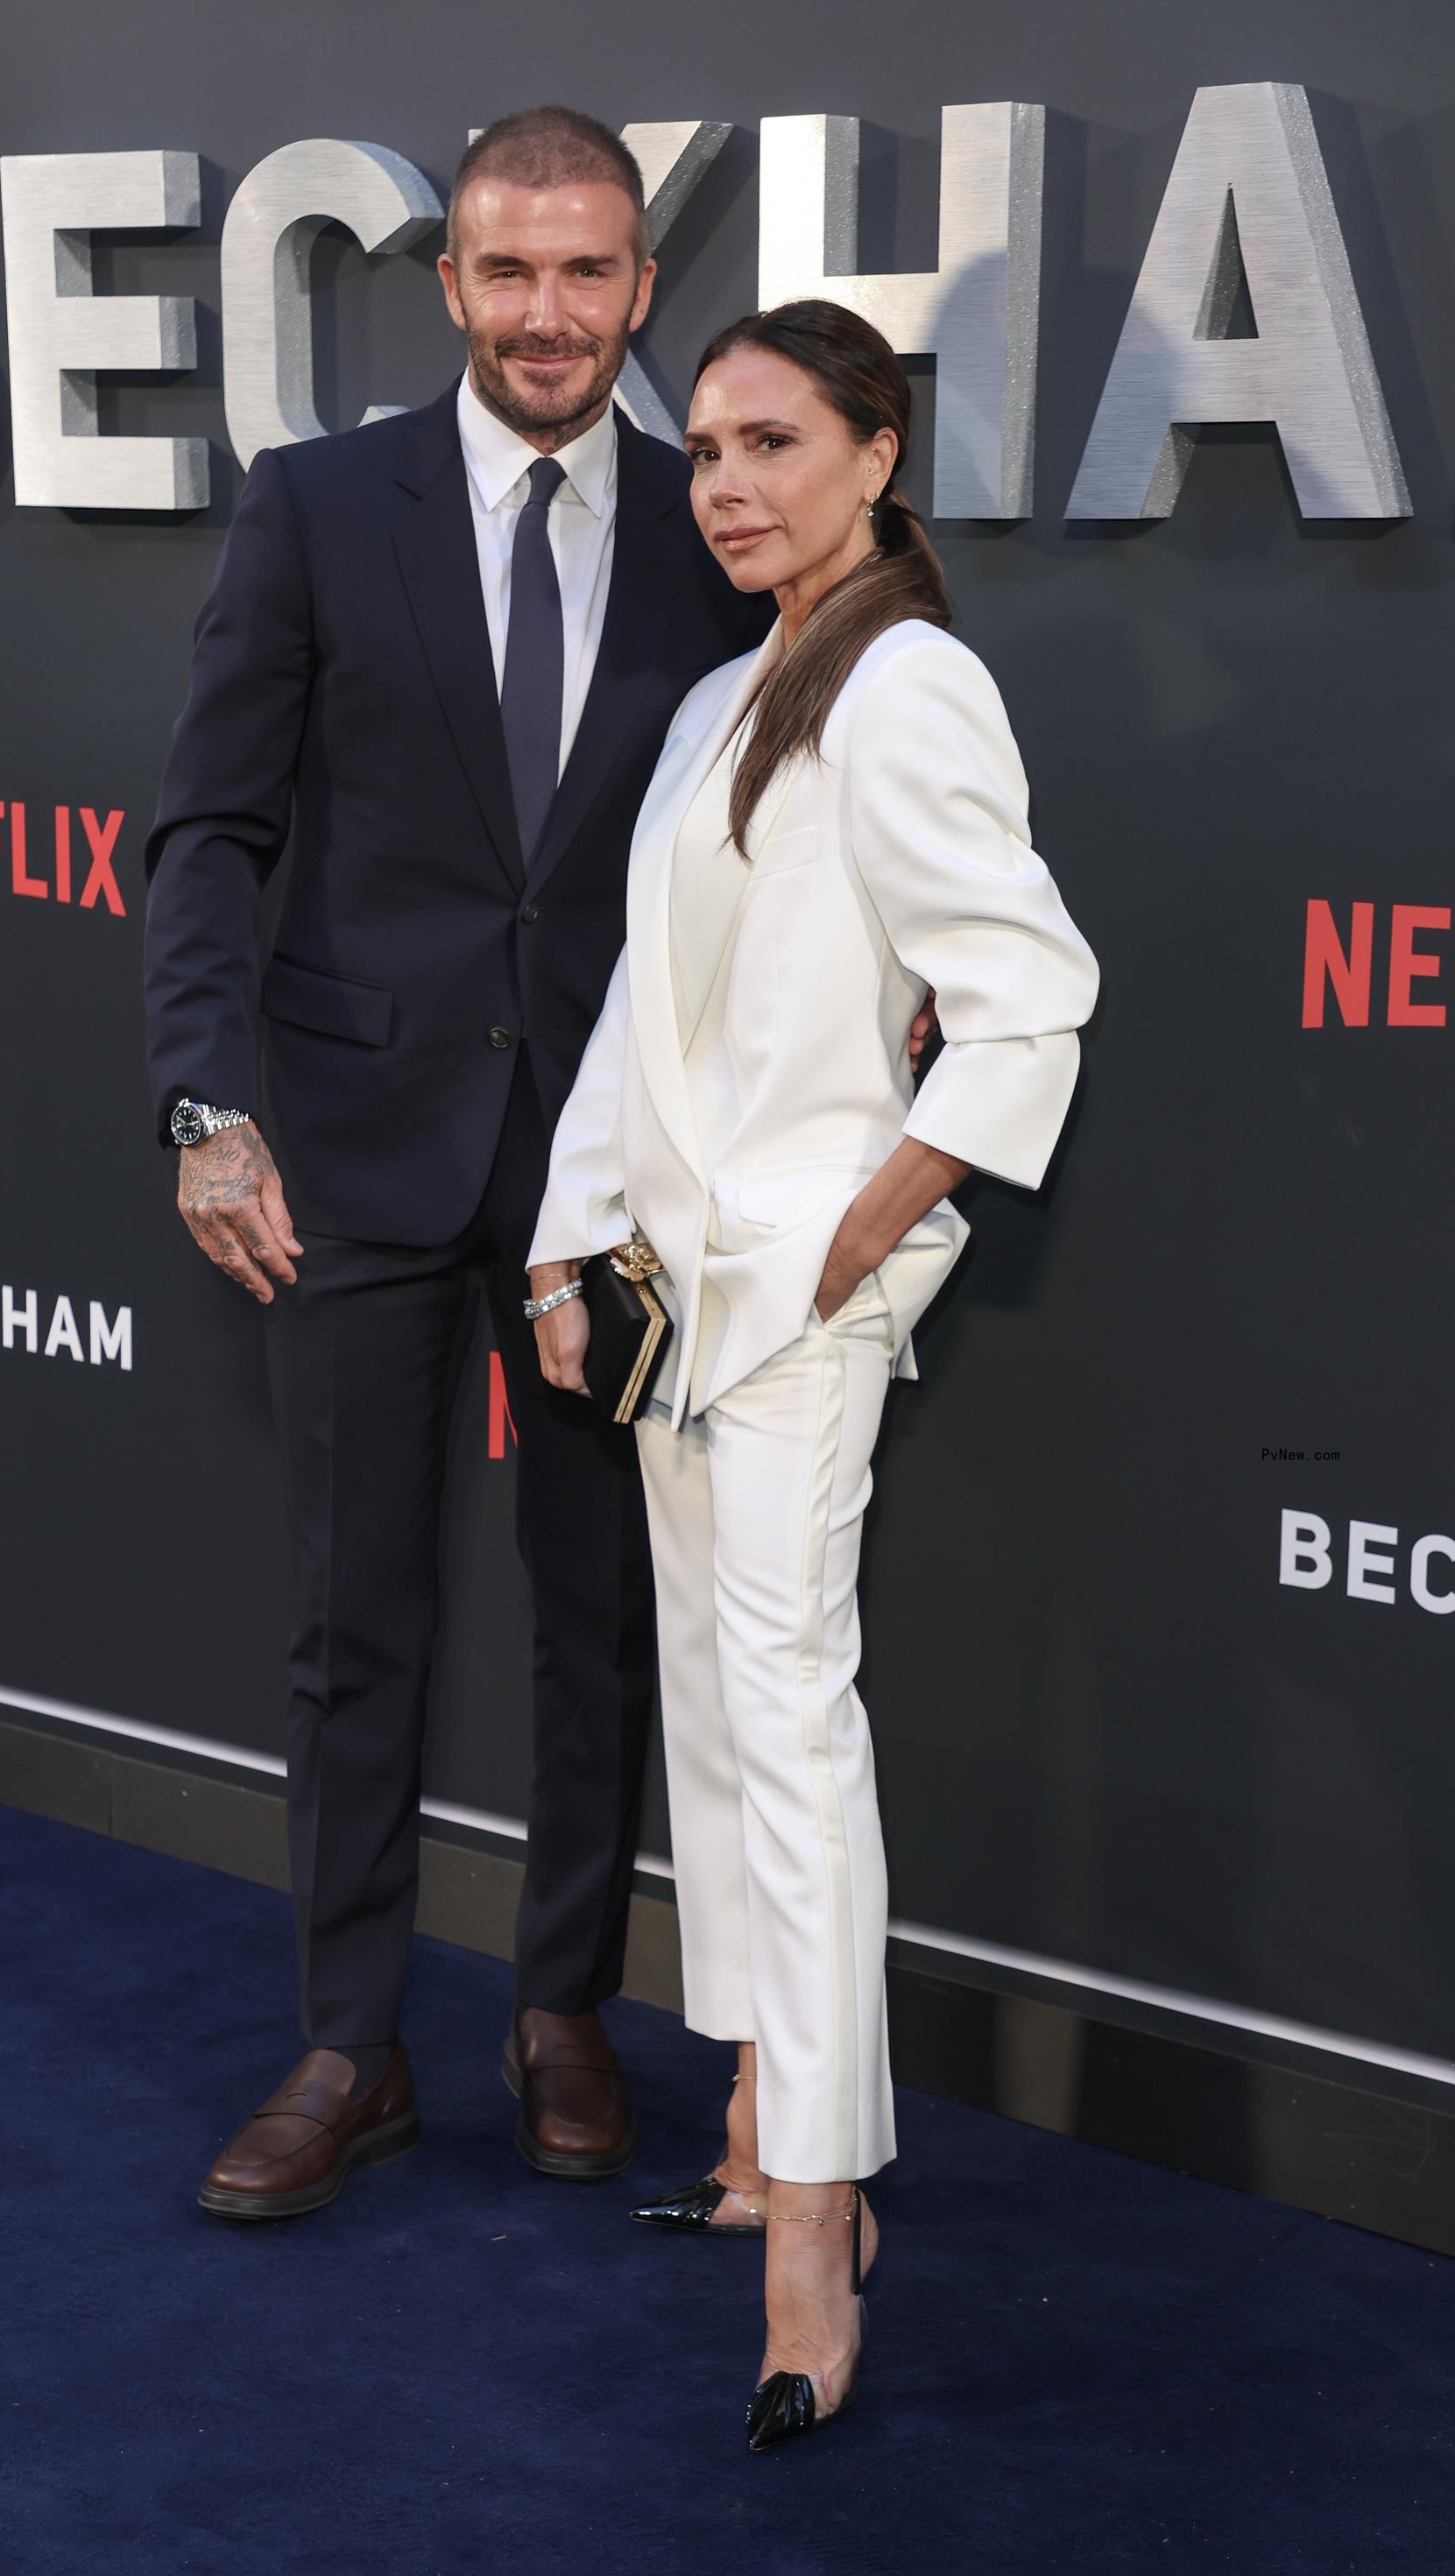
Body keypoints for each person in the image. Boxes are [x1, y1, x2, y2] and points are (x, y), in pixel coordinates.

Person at [140, 107, 778, 2218]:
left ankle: (565, 2003)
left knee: (599, 1607)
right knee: (357, 1612)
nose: (548, 313)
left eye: (588, 273)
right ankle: (349, 2042)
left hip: (613, 1175)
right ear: (448, 288)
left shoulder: (721, 531)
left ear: (639, 292)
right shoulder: (320, 507)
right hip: (347, 1150)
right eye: (509, 273)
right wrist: (204, 1101)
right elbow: (208, 830)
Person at [527, 300, 1099, 2446]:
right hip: (672, 1298)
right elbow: (630, 1023)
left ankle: (818, 2220)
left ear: (879, 454)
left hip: (792, 1297)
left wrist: (865, 1226)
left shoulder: (912, 682)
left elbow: (1029, 998)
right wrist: (568, 1239)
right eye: (707, 455)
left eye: (778, 442)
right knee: (717, 1705)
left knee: (790, 1724)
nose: (733, 484)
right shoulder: (714, 701)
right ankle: (767, 2115)